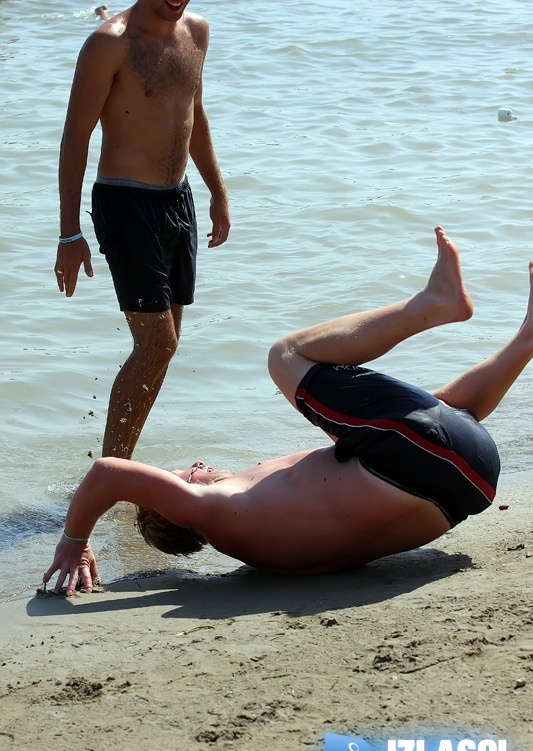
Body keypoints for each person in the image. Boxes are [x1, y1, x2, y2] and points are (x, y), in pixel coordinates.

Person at [43, 227, 533, 596]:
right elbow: (108, 474)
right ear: (175, 505)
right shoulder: (213, 507)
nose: (195, 466)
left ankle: (526, 341)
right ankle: (431, 306)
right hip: (418, 461)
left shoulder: (263, 552)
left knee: (437, 413)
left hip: (472, 480)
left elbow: (435, 429)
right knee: (285, 357)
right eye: (183, 474)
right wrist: (74, 540)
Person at [54, 0, 230, 459]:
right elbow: (76, 135)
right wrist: (69, 233)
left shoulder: (197, 31)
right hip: (125, 202)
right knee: (157, 342)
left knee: (164, 347)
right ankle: (110, 471)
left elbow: (195, 110)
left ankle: (118, 464)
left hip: (178, 199)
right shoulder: (108, 44)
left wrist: (217, 192)